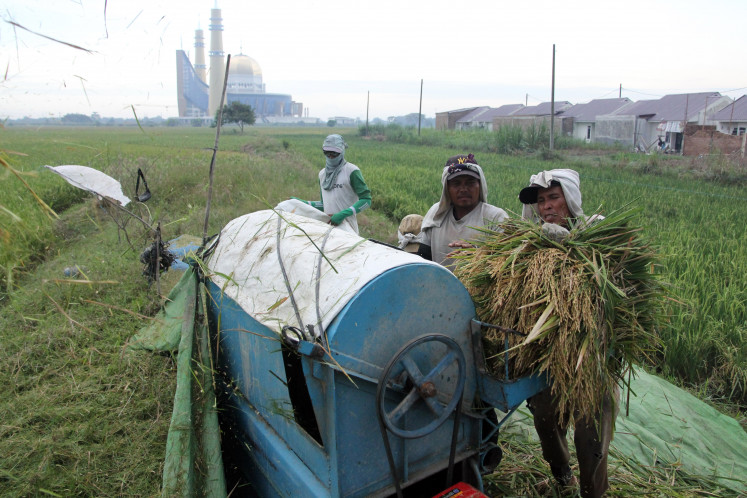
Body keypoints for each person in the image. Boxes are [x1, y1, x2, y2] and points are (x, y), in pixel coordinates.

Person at [518, 168, 618, 498]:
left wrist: (566, 242)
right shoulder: (529, 242)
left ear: (570, 199)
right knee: (546, 419)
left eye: (554, 198)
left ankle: (594, 492)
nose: (546, 206)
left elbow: (615, 278)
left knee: (591, 436)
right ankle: (562, 477)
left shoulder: (597, 231)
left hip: (594, 355)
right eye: (542, 200)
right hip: (549, 354)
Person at [416, 153, 508, 271]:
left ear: (480, 185)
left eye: (470, 183)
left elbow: (505, 266)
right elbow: (423, 259)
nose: (463, 189)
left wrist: (477, 257)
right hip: (438, 286)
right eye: (456, 183)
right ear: (447, 188)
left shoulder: (495, 218)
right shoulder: (436, 214)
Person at [292, 134, 371, 234]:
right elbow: (324, 203)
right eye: (327, 153)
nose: (330, 156)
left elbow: (366, 200)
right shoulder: (322, 174)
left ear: (342, 152)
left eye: (334, 154)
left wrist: (344, 214)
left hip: (348, 227)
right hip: (328, 226)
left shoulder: (351, 171)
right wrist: (303, 203)